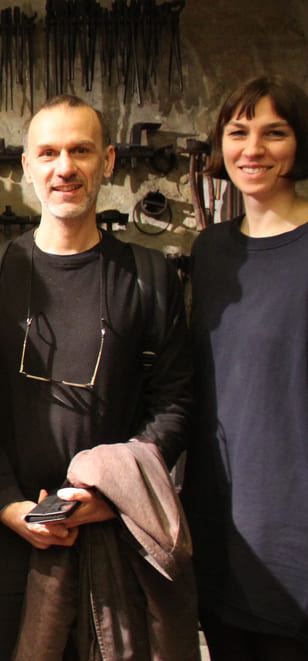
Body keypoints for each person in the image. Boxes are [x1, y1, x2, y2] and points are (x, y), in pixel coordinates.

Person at [0, 96, 195, 660]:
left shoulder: (150, 277)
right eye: (49, 152)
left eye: (80, 150)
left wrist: (113, 494)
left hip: (114, 536)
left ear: (108, 161)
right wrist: (10, 506)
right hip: (6, 540)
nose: (65, 167)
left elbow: (176, 403)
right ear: (27, 167)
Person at [185, 75, 308, 659]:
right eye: (238, 132)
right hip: (221, 526)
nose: (253, 149)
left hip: (297, 528)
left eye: (274, 133)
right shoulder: (211, 251)